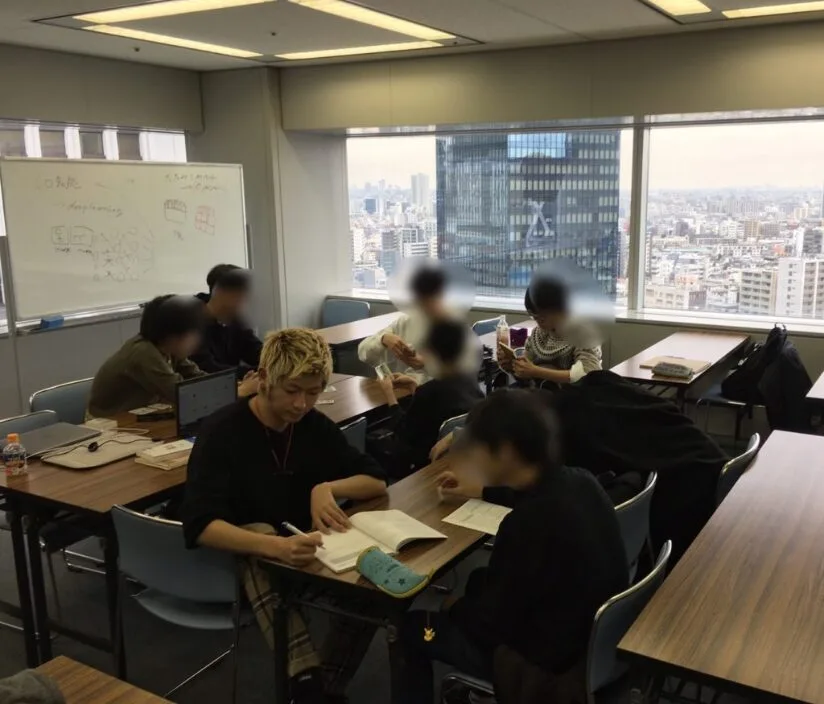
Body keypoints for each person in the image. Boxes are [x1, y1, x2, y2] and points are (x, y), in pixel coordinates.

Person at [180, 327, 387, 704]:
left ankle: (321, 689)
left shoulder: (312, 426)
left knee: (372, 592)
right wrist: (275, 547)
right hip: (239, 556)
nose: (302, 404)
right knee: (262, 542)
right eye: (292, 391)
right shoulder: (222, 431)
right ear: (264, 379)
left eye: (313, 392)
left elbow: (375, 480)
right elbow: (200, 525)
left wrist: (327, 488)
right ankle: (306, 682)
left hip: (302, 549)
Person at [393, 390, 628, 704]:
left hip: (543, 663)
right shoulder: (582, 481)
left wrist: (454, 606)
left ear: (505, 452)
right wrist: (483, 491)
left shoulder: (526, 524)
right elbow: (533, 495)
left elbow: (491, 628)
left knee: (412, 627)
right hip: (591, 643)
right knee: (478, 578)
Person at [376, 319, 484, 477]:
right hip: (461, 462)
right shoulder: (471, 382)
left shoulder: (428, 392)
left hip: (422, 469)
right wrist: (413, 386)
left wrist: (390, 395)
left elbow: (402, 434)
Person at [87, 295, 207, 418]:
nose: (196, 339)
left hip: (139, 414)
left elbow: (197, 376)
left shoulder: (169, 348)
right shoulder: (143, 352)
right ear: (172, 334)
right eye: (192, 333)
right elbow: (179, 393)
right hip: (106, 421)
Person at [358, 265, 479, 384]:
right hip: (403, 392)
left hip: (436, 394)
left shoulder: (457, 330)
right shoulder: (405, 322)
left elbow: (464, 374)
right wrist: (383, 339)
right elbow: (363, 352)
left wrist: (425, 365)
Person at [498, 277, 602, 386]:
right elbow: (527, 375)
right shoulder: (538, 335)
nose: (539, 323)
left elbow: (585, 374)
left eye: (542, 318)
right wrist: (514, 368)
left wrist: (536, 372)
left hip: (571, 394)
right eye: (534, 318)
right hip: (540, 392)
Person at [192, 264, 262, 377]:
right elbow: (207, 368)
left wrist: (277, 362)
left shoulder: (235, 319)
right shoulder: (190, 321)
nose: (245, 301)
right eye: (240, 295)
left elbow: (256, 350)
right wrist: (258, 372)